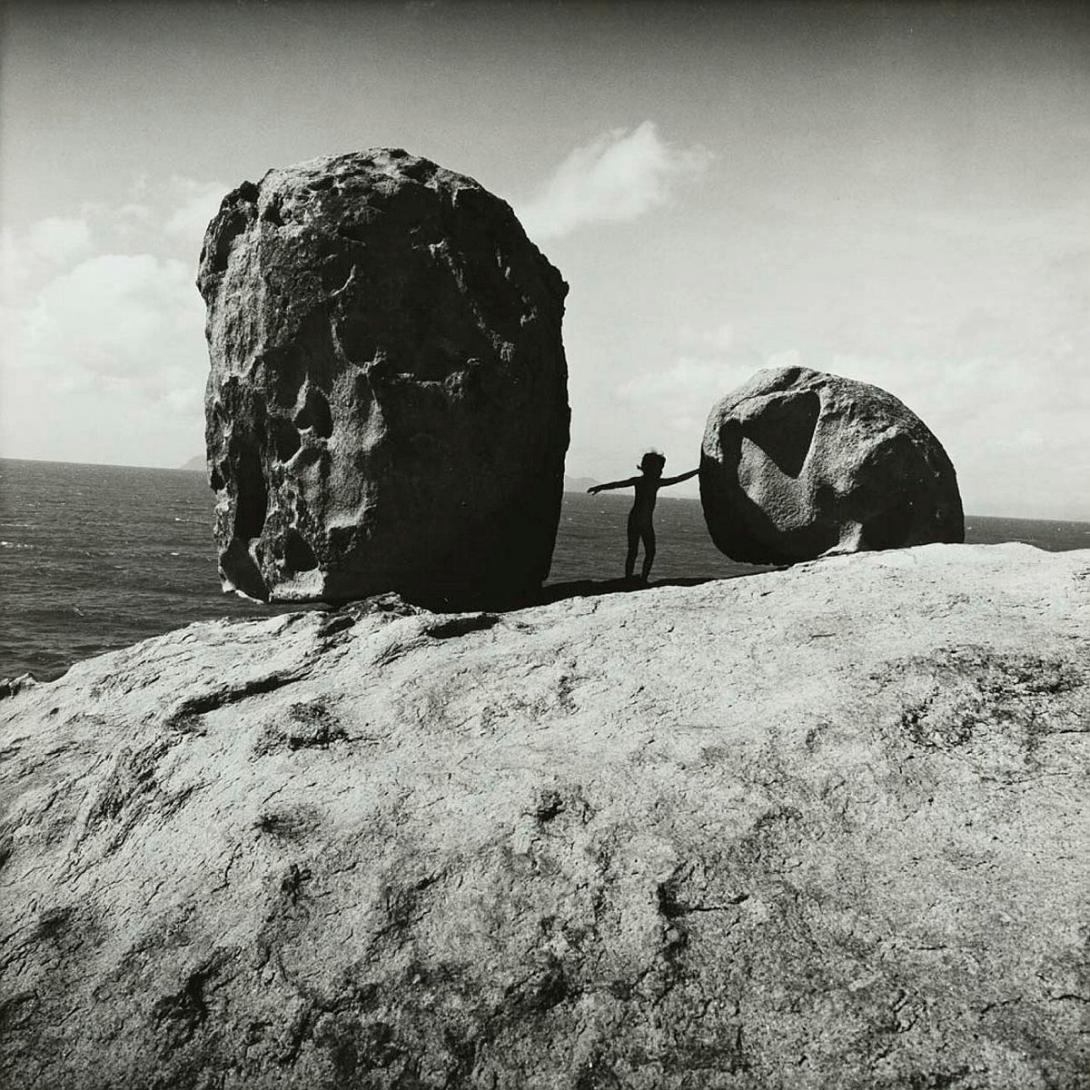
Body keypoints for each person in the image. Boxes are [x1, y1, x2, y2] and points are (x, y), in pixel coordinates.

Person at [588, 451, 699, 582]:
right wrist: (698, 470)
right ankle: (640, 578)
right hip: (642, 520)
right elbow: (679, 478)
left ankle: (632, 578)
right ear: (651, 468)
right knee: (646, 551)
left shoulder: (642, 481)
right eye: (659, 468)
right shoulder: (653, 482)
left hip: (637, 519)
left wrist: (600, 487)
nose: (661, 471)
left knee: (636, 551)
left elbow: (617, 484)